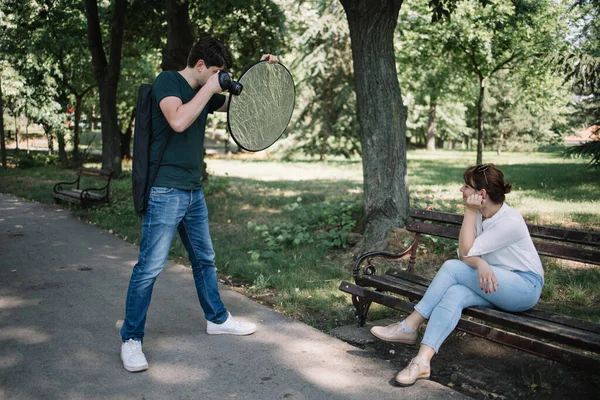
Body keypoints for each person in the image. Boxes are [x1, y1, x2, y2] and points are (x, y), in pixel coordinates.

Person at [120, 36, 279, 372]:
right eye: (215, 71)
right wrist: (209, 89)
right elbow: (178, 119)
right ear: (201, 65)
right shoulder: (169, 81)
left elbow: (242, 104)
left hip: (193, 192)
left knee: (204, 259)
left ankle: (217, 319)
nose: (217, 78)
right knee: (149, 268)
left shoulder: (204, 92)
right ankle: (131, 339)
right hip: (165, 191)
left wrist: (262, 73)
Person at [370, 163, 544, 386]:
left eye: (466, 186)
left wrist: (470, 217)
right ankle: (422, 362)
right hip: (495, 282)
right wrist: (480, 262)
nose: (461, 190)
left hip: (524, 286)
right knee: (454, 293)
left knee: (451, 268)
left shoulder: (509, 221)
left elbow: (463, 254)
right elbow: (467, 255)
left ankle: (409, 325)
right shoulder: (482, 214)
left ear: (481, 194)